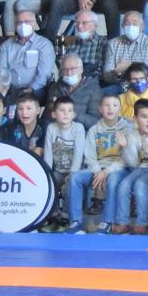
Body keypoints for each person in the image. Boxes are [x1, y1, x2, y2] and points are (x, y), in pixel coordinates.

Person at [65, 94, 133, 234]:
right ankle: (76, 221)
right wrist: (97, 171)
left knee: (113, 179)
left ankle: (106, 222)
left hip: (118, 169)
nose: (110, 108)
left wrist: (106, 172)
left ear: (120, 109)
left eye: (114, 105)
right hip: (97, 169)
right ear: (100, 109)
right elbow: (89, 156)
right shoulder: (94, 130)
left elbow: (127, 158)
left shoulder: (127, 129)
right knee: (75, 178)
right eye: (106, 105)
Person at [114, 98, 148, 234]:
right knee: (124, 184)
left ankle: (142, 222)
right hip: (140, 168)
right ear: (135, 119)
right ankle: (122, 222)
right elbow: (134, 164)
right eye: (144, 117)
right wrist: (125, 147)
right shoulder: (132, 135)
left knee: (139, 184)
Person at [41, 97, 86, 228]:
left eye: (69, 110)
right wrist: (48, 173)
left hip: (76, 170)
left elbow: (78, 154)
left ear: (74, 114)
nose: (66, 113)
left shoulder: (78, 128)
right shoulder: (51, 128)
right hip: (58, 169)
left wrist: (72, 174)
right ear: (54, 114)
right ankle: (52, 213)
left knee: (69, 187)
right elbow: (48, 153)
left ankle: (67, 214)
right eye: (62, 110)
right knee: (50, 184)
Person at [0, 8, 55, 100]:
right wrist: (4, 89)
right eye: (20, 22)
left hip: (36, 89)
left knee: (26, 99)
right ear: (15, 25)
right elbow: (1, 71)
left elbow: (44, 73)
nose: (24, 25)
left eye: (27, 21)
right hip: (11, 89)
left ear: (34, 23)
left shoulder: (44, 44)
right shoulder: (6, 46)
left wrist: (31, 88)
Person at [102, 12, 148, 89]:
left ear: (142, 27)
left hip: (144, 87)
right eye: (127, 23)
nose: (130, 26)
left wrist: (127, 67)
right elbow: (106, 75)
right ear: (122, 26)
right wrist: (117, 73)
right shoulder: (113, 43)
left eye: (134, 23)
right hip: (118, 86)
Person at [44, 53, 102, 130]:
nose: (69, 73)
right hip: (56, 133)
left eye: (73, 69)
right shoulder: (55, 87)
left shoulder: (94, 89)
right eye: (65, 69)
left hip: (81, 135)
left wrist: (74, 115)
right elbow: (46, 118)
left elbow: (96, 122)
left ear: (81, 69)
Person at [63, 9, 108, 79]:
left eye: (84, 23)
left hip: (95, 85)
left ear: (95, 25)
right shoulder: (71, 44)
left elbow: (105, 74)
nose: (79, 26)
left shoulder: (104, 43)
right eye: (77, 23)